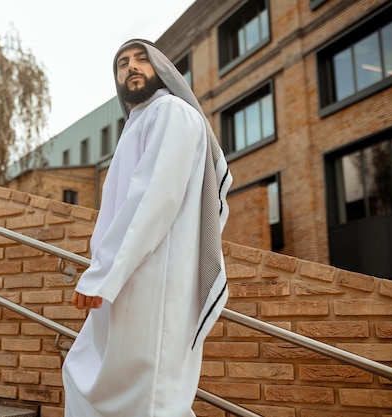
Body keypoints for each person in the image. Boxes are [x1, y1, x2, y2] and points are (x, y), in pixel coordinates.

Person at [62, 39, 233, 417]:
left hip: (154, 280)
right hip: (130, 278)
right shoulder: (139, 123)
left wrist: (101, 274)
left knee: (149, 397)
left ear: (163, 70)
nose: (131, 67)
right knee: (91, 377)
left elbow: (153, 198)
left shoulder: (170, 110)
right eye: (122, 63)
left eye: (142, 59)